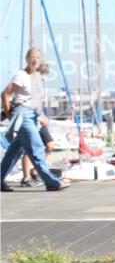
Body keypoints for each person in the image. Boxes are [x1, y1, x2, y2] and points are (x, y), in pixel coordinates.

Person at [1, 48, 68, 192]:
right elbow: (5, 95)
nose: (35, 60)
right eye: (32, 57)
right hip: (22, 114)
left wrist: (41, 117)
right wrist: (9, 114)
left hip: (33, 115)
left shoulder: (37, 77)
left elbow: (36, 102)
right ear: (27, 59)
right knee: (37, 147)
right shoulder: (21, 75)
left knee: (14, 152)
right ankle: (52, 182)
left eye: (38, 57)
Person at [21, 62, 55, 186]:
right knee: (28, 149)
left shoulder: (40, 86)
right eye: (42, 74)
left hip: (40, 121)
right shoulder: (29, 84)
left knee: (50, 145)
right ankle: (26, 178)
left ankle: (34, 171)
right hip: (32, 120)